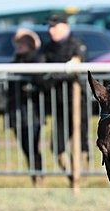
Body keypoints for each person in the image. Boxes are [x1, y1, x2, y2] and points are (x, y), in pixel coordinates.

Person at [42, 12, 88, 174]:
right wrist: (58, 75)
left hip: (78, 100)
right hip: (58, 101)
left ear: (66, 27)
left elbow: (77, 64)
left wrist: (53, 75)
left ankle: (82, 174)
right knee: (57, 144)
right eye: (49, 27)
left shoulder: (76, 44)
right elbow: (40, 74)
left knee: (81, 140)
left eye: (54, 26)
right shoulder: (48, 48)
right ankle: (71, 173)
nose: (51, 30)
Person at [7, 29, 46, 186]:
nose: (20, 45)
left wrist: (31, 88)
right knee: (25, 146)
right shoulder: (15, 62)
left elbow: (41, 82)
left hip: (33, 111)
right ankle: (34, 175)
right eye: (19, 43)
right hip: (17, 111)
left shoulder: (37, 60)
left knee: (32, 145)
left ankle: (38, 175)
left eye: (24, 42)